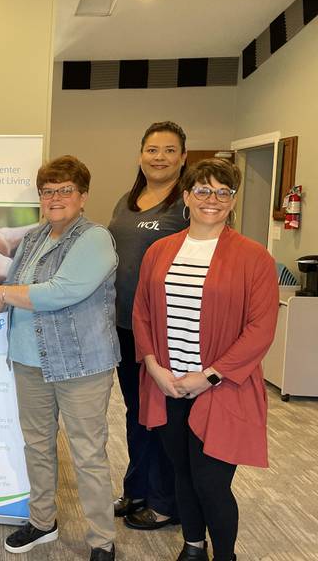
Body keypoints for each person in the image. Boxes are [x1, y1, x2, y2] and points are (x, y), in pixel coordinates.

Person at [0, 155, 119, 561]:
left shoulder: (94, 238)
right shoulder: (31, 241)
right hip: (29, 361)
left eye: (65, 190)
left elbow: (59, 292)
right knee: (37, 446)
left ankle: (102, 541)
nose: (56, 198)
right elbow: (7, 300)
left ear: (83, 196)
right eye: (48, 191)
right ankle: (43, 522)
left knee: (87, 453)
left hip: (80, 365)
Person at [133, 158, 278, 561]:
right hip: (168, 385)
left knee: (211, 482)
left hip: (222, 388)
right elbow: (142, 311)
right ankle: (193, 546)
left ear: (232, 201)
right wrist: (154, 367)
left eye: (223, 192)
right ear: (186, 196)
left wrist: (210, 376)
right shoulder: (160, 251)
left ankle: (224, 556)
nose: (211, 199)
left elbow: (260, 330)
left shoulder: (254, 257)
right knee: (182, 473)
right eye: (202, 190)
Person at [108, 121, 188, 530]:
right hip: (124, 326)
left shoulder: (186, 205)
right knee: (135, 412)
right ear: (141, 154)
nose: (160, 157)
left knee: (162, 415)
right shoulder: (127, 200)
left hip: (164, 331)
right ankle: (136, 489)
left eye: (170, 150)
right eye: (153, 149)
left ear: (183, 158)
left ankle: (164, 501)